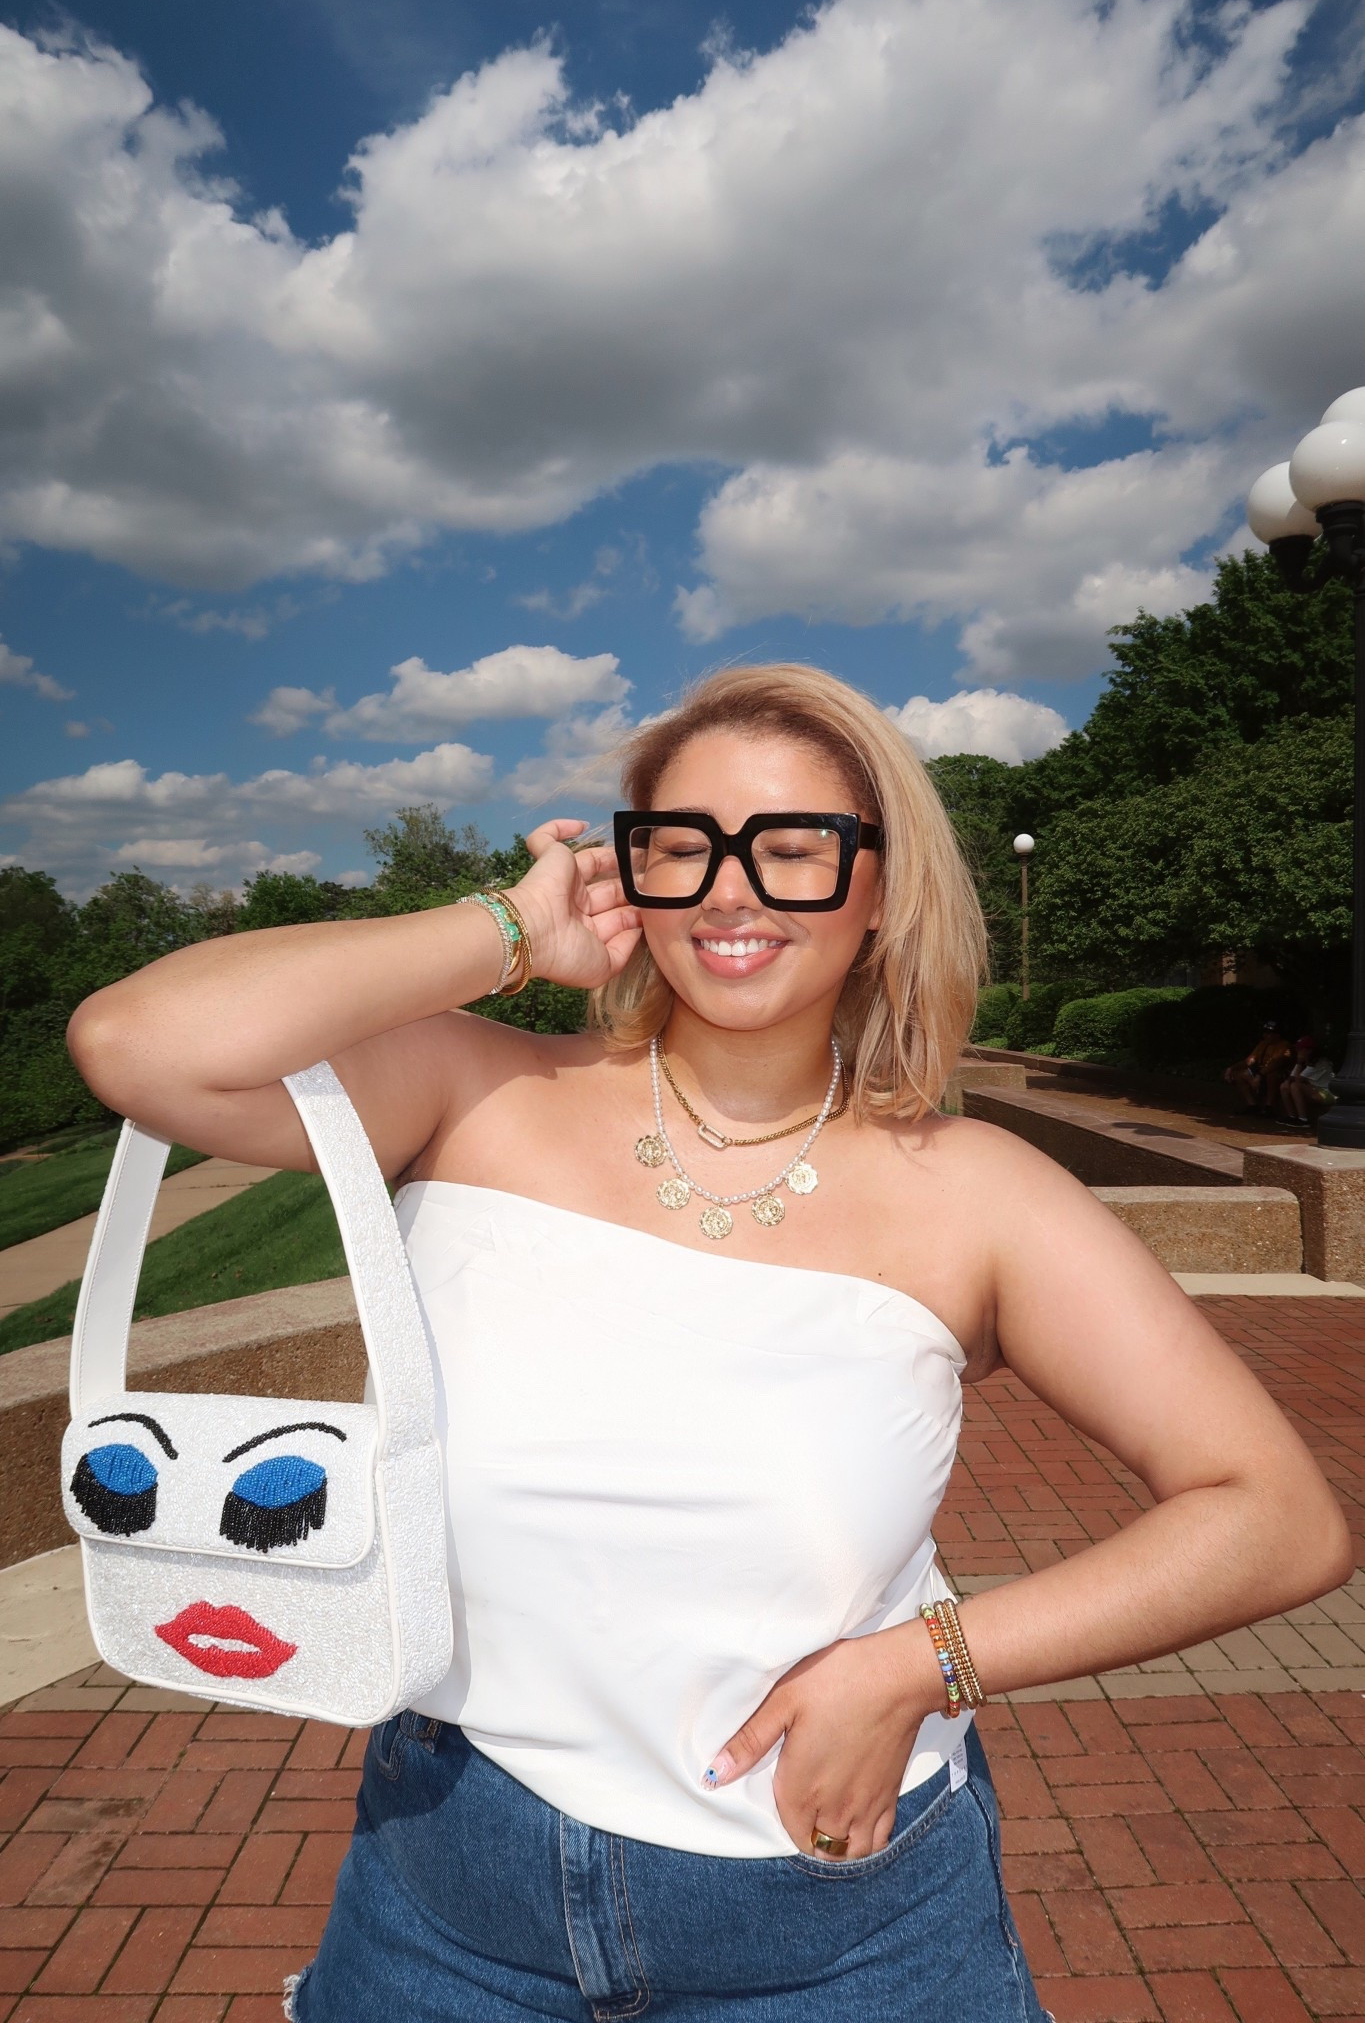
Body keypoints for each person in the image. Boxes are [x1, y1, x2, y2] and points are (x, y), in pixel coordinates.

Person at [67, 663, 1350, 2023]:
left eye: (793, 847)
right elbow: (140, 1042)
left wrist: (919, 1664)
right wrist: (506, 926)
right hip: (447, 1883)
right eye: (683, 847)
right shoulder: (473, 1092)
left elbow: (1274, 1517)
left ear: (879, 888)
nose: (731, 890)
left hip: (835, 1924)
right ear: (632, 878)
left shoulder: (984, 1195)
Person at [1224, 1019, 1293, 1113]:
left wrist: (1260, 1075)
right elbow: (1250, 1060)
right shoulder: (1263, 1044)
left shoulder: (1284, 1045)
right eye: (1265, 1032)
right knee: (1239, 1075)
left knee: (1272, 1075)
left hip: (1276, 1074)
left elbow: (1277, 1063)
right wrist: (1231, 1068)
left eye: (1269, 1033)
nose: (1266, 1035)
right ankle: (1252, 1105)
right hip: (1261, 1072)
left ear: (1278, 1034)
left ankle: (1269, 1107)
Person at [1279, 1035, 1337, 1129]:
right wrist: (1286, 1082)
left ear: (1309, 1051)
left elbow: (1298, 1080)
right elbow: (1292, 1077)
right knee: (1284, 1086)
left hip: (1327, 1093)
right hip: (1313, 1089)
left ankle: (1303, 1119)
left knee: (1295, 1086)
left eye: (1301, 1049)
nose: (1298, 1051)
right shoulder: (1306, 1061)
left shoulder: (1320, 1062)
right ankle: (1291, 1116)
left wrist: (1298, 1062)